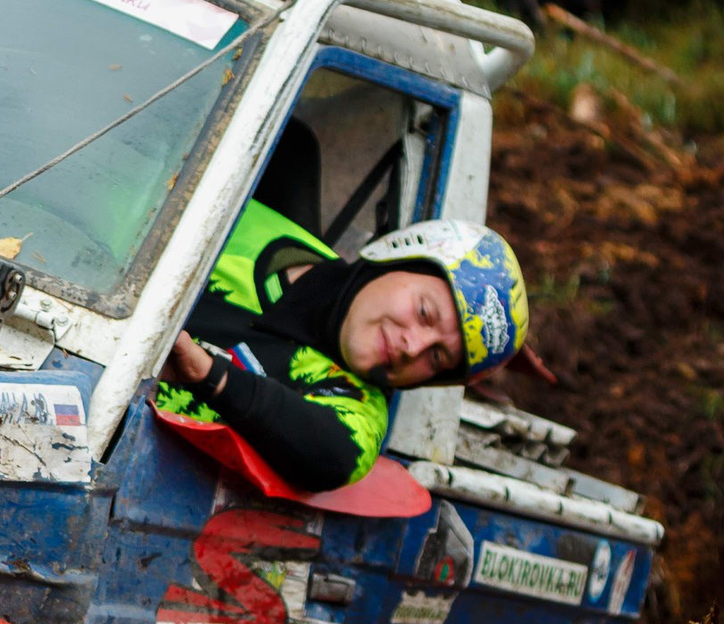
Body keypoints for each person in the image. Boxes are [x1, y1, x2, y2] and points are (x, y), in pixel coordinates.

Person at [155, 201, 530, 492]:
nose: (412, 346)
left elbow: (332, 455)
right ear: (399, 256)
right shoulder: (238, 216)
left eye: (437, 357)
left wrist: (210, 377)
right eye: (424, 312)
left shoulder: (360, 411)